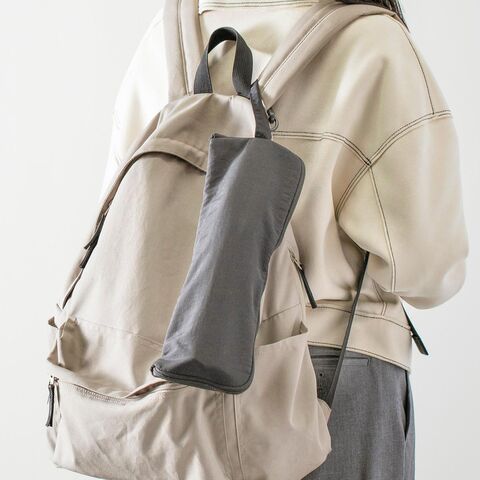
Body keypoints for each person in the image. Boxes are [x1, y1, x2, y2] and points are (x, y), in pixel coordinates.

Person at [100, 1, 469, 478]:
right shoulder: (375, 43)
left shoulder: (167, 34)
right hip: (326, 376)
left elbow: (120, 219)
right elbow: (431, 269)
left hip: (165, 375)